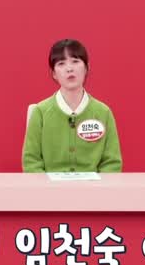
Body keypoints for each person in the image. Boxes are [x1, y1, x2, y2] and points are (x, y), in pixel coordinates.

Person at [22, 39, 122, 173]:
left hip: (94, 186)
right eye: (61, 63)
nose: (69, 69)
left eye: (75, 61)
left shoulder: (103, 112)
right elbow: (31, 162)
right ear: (53, 73)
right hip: (49, 186)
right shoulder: (40, 112)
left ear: (87, 68)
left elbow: (112, 163)